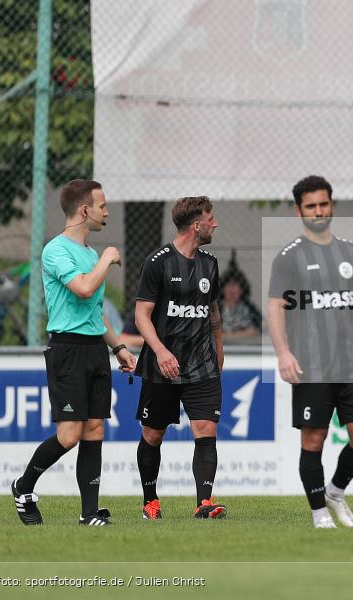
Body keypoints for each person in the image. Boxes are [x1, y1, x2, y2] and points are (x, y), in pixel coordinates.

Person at [11, 179, 135, 526]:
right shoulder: (56, 250)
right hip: (67, 349)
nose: (106, 212)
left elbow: (94, 313)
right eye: (103, 205)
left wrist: (119, 347)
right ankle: (23, 486)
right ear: (85, 210)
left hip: (96, 349)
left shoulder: (90, 254)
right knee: (69, 434)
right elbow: (82, 289)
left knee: (94, 428)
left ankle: (89, 513)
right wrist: (108, 259)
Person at [267, 175, 353, 529]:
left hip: (351, 362)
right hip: (311, 363)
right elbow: (275, 308)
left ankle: (335, 491)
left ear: (332, 205)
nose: (319, 211)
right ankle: (319, 514)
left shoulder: (350, 252)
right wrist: (283, 353)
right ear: (298, 210)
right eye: (311, 206)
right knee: (314, 438)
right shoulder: (289, 257)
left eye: (323, 204)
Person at [133, 197, 226, 520]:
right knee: (153, 434)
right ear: (196, 224)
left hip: (202, 362)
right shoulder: (158, 262)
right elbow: (141, 315)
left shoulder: (210, 264)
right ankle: (150, 501)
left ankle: (204, 502)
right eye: (210, 218)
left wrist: (219, 347)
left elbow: (213, 310)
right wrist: (160, 351)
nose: (215, 224)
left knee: (205, 428)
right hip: (163, 366)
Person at [219, 271, 261, 339]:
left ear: (241, 290)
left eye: (235, 285)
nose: (232, 290)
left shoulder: (249, 308)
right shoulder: (216, 308)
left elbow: (255, 330)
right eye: (229, 285)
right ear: (222, 289)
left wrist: (228, 335)